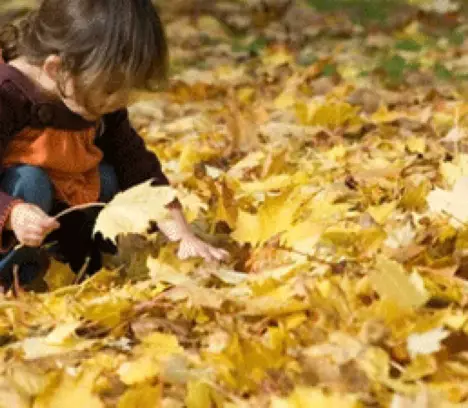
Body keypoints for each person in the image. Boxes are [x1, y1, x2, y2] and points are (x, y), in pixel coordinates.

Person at [0, 0, 229, 286]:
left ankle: (81, 266)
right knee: (31, 181)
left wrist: (183, 235)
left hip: (59, 220)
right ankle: (14, 281)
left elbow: (138, 167)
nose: (117, 102)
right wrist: (13, 214)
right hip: (12, 218)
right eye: (109, 89)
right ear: (56, 69)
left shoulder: (90, 97)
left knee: (107, 177)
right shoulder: (6, 96)